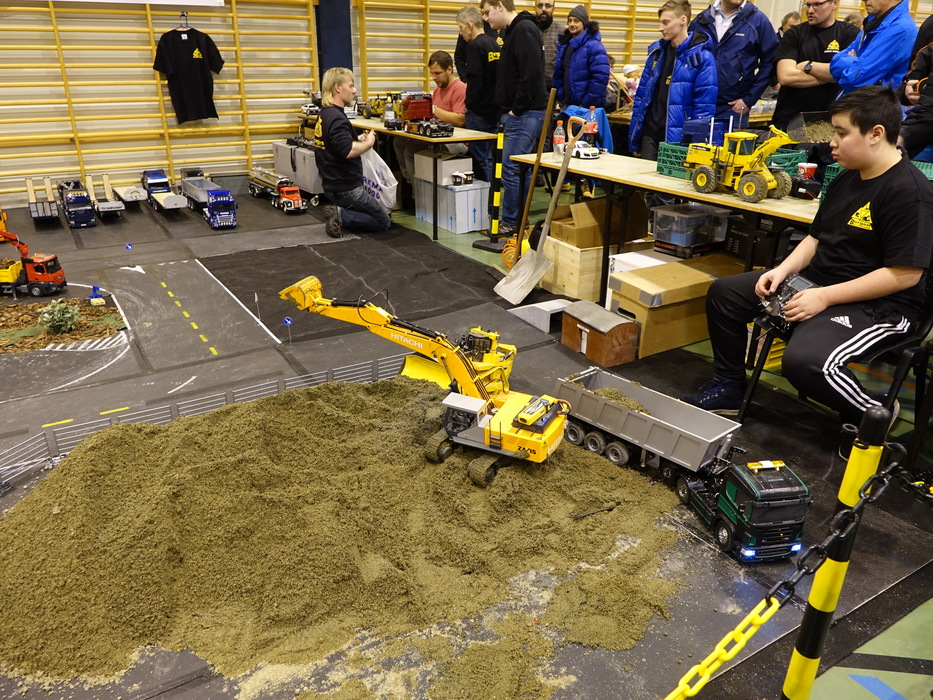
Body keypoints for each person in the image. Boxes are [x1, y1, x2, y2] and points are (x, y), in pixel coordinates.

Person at [682, 86, 933, 455]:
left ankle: (873, 413)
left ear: (876, 134)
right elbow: (816, 238)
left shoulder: (909, 192)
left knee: (805, 363)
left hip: (881, 307)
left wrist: (824, 297)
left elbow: (905, 274)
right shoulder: (848, 176)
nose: (831, 142)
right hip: (821, 286)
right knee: (725, 294)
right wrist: (782, 270)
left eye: (841, 133)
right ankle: (729, 387)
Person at [480, 0, 548, 236]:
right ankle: (516, 221)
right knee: (518, 169)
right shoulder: (515, 31)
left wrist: (517, 109)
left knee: (512, 168)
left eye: (488, 12)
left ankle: (512, 222)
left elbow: (531, 74)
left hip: (526, 112)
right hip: (522, 112)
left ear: (500, 6)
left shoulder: (524, 29)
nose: (486, 18)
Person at [629, 0, 717, 160]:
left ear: (683, 20)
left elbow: (704, 108)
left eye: (666, 22)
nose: (660, 28)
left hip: (678, 140)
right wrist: (635, 138)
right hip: (649, 135)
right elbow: (641, 99)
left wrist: (696, 146)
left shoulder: (702, 58)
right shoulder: (656, 54)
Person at [314, 67, 391, 238]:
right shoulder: (337, 118)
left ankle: (340, 211)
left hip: (331, 185)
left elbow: (334, 144)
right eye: (350, 85)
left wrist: (356, 139)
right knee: (383, 221)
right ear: (338, 88)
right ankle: (341, 215)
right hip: (346, 188)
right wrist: (369, 143)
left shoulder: (325, 113)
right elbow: (347, 151)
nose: (354, 90)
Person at [771, 0, 859, 132]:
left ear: (834, 3)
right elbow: (785, 77)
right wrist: (835, 75)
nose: (810, 10)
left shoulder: (850, 34)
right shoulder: (794, 34)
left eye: (817, 4)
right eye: (808, 5)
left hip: (831, 121)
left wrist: (808, 66)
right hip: (790, 120)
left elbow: (852, 73)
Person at [689, 0, 778, 120]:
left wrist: (749, 100)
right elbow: (686, 60)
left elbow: (771, 61)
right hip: (699, 104)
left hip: (733, 108)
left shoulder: (758, 21)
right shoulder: (701, 20)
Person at [394, 50, 468, 185]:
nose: (434, 77)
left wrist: (434, 109)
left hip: (456, 141)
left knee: (411, 151)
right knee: (399, 141)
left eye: (437, 73)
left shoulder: (460, 89)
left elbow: (460, 120)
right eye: (432, 73)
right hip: (437, 137)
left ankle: (418, 191)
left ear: (449, 69)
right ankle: (412, 183)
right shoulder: (438, 90)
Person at [829, 0, 916, 95]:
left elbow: (855, 79)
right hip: (858, 100)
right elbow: (834, 64)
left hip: (876, 102)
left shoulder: (900, 29)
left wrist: (851, 63)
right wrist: (855, 64)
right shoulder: (873, 23)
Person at [457, 6, 502, 185]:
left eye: (461, 28)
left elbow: (475, 81)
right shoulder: (494, 44)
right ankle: (493, 195)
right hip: (495, 110)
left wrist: (469, 104)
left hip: (479, 113)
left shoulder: (474, 47)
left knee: (480, 158)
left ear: (470, 24)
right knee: (491, 157)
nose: (461, 34)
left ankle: (486, 196)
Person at [553, 5, 610, 109]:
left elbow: (600, 78)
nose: (572, 24)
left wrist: (586, 104)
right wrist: (561, 95)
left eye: (576, 21)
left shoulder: (594, 46)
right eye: (570, 21)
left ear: (584, 23)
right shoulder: (565, 45)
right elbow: (560, 73)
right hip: (567, 104)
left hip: (586, 107)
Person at [535, 0, 561, 91]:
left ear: (554, 8)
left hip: (553, 89)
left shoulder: (561, 32)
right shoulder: (528, 30)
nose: (543, 9)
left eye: (548, 6)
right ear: (535, 8)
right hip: (531, 88)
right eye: (540, 5)